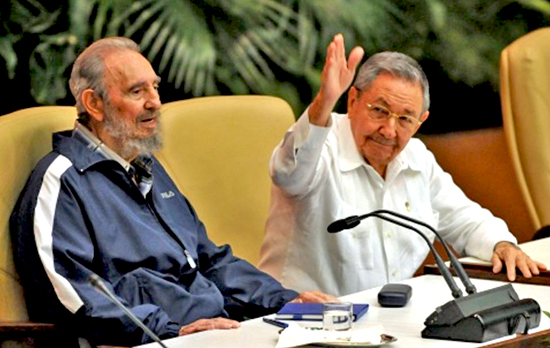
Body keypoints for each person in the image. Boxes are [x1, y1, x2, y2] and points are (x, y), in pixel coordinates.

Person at [10, 37, 336, 347]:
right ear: (94, 103)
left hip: (214, 331)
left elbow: (207, 260)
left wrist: (286, 300)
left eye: (155, 87)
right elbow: (74, 297)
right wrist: (172, 332)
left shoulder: (146, 167)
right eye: (137, 91)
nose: (155, 102)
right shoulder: (62, 181)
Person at [258, 34, 547, 297]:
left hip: (385, 321)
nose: (389, 130)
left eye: (405, 119)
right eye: (380, 111)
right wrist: (324, 101)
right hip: (300, 319)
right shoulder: (323, 143)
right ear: (353, 99)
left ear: (421, 121)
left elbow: (466, 221)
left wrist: (503, 245)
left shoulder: (417, 158)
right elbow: (288, 174)